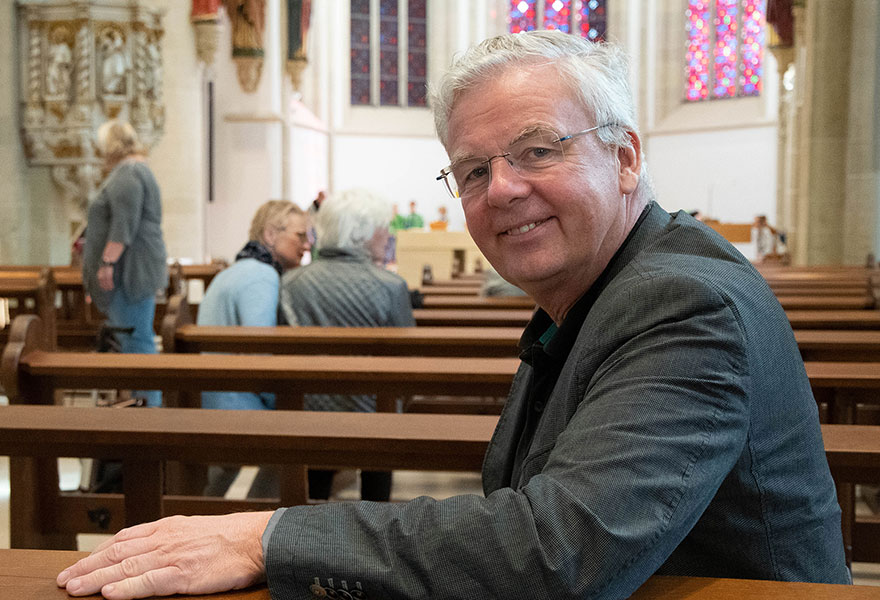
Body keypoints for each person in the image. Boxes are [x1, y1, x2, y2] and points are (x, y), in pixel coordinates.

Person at [58, 32, 849, 600]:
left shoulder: (684, 301)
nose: (501, 188)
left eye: (537, 150)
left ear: (627, 156)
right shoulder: (610, 287)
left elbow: (559, 551)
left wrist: (267, 537)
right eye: (474, 170)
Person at [279, 188, 414, 501]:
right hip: (373, 413)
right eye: (384, 228)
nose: (387, 235)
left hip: (308, 409)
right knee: (384, 411)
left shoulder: (291, 283)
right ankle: (376, 515)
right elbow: (408, 357)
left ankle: (306, 521)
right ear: (362, 233)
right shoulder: (390, 286)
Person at [198, 200, 309, 497]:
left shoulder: (235, 271)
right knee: (295, 440)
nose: (306, 245)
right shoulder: (262, 276)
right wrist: (287, 401)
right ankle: (260, 518)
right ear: (271, 235)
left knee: (219, 479)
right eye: (300, 236)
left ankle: (204, 507)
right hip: (233, 405)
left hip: (212, 396)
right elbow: (261, 354)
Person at [82, 120, 167, 407]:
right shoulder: (135, 170)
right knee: (133, 338)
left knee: (136, 340)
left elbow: (123, 224)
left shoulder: (128, 173)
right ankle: (142, 406)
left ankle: (149, 411)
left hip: (129, 272)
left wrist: (106, 263)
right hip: (132, 267)